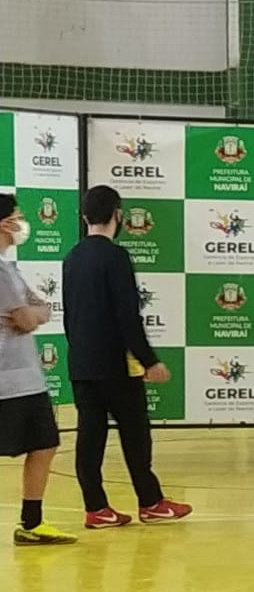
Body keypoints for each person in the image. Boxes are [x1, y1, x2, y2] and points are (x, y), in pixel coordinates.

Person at [62, 185, 190, 528]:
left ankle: (96, 509)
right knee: (136, 435)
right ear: (118, 215)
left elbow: (69, 316)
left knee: (90, 438)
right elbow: (127, 316)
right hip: (116, 366)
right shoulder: (116, 257)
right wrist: (150, 361)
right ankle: (150, 502)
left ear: (85, 216)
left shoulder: (71, 257)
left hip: (81, 364)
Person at [0, 196, 76, 545]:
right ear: (4, 224)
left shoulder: (9, 267)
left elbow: (39, 309)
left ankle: (32, 522)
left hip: (26, 379)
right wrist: (28, 315)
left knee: (44, 444)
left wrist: (30, 315)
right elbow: (27, 317)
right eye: (18, 217)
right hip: (7, 380)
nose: (23, 224)